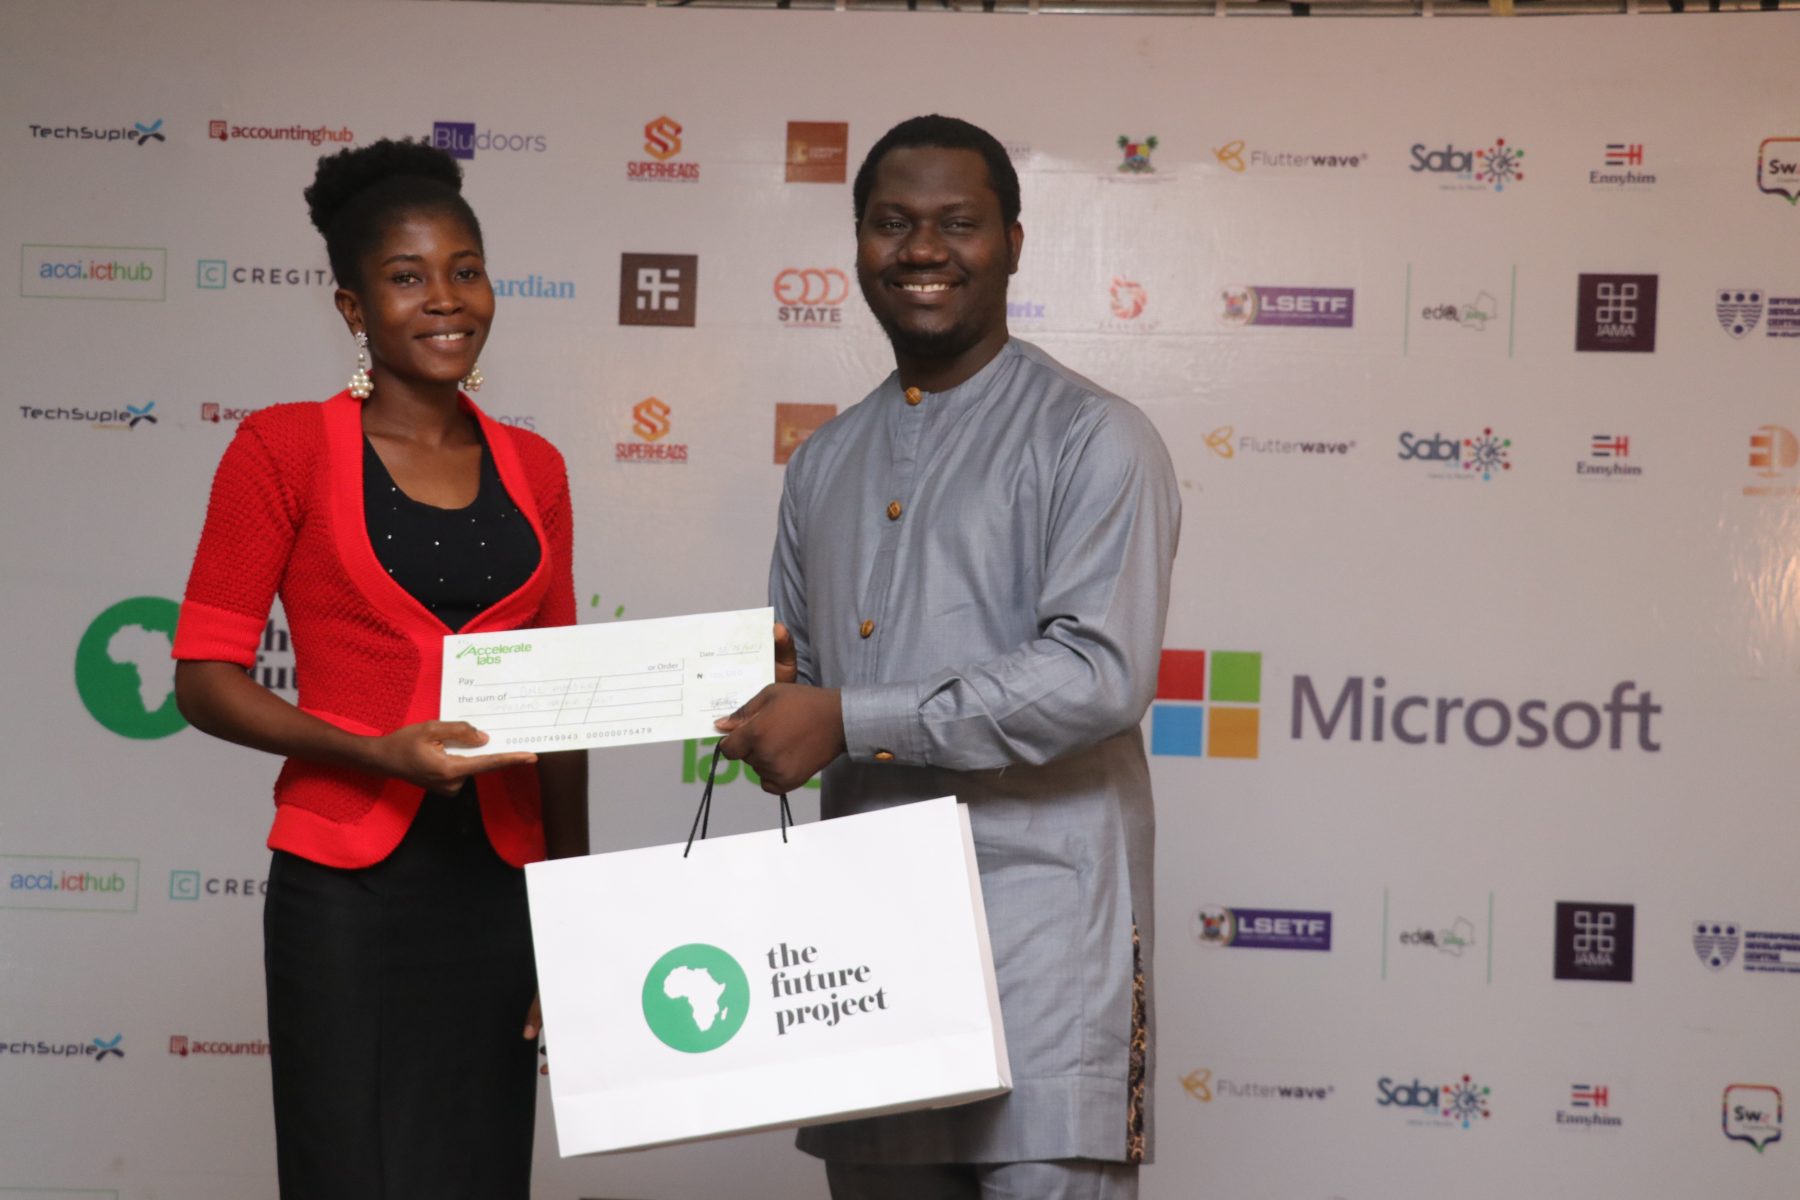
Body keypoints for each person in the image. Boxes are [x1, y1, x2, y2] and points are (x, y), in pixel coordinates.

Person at [716, 115, 1180, 1200]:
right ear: (859, 246)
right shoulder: (824, 463)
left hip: (1046, 953)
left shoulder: (1094, 437)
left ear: (1012, 242)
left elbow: (1097, 676)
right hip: (866, 962)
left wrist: (846, 717)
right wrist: (758, 707)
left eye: (956, 223)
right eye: (892, 223)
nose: (922, 249)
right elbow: (801, 677)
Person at [172, 138, 587, 1200]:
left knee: (480, 1171)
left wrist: (572, 916)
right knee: (349, 1172)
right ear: (354, 308)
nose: (445, 298)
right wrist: (376, 752)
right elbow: (205, 678)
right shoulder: (281, 450)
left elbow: (563, 698)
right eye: (407, 277)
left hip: (499, 890)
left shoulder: (536, 468)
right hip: (346, 896)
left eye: (465, 269)